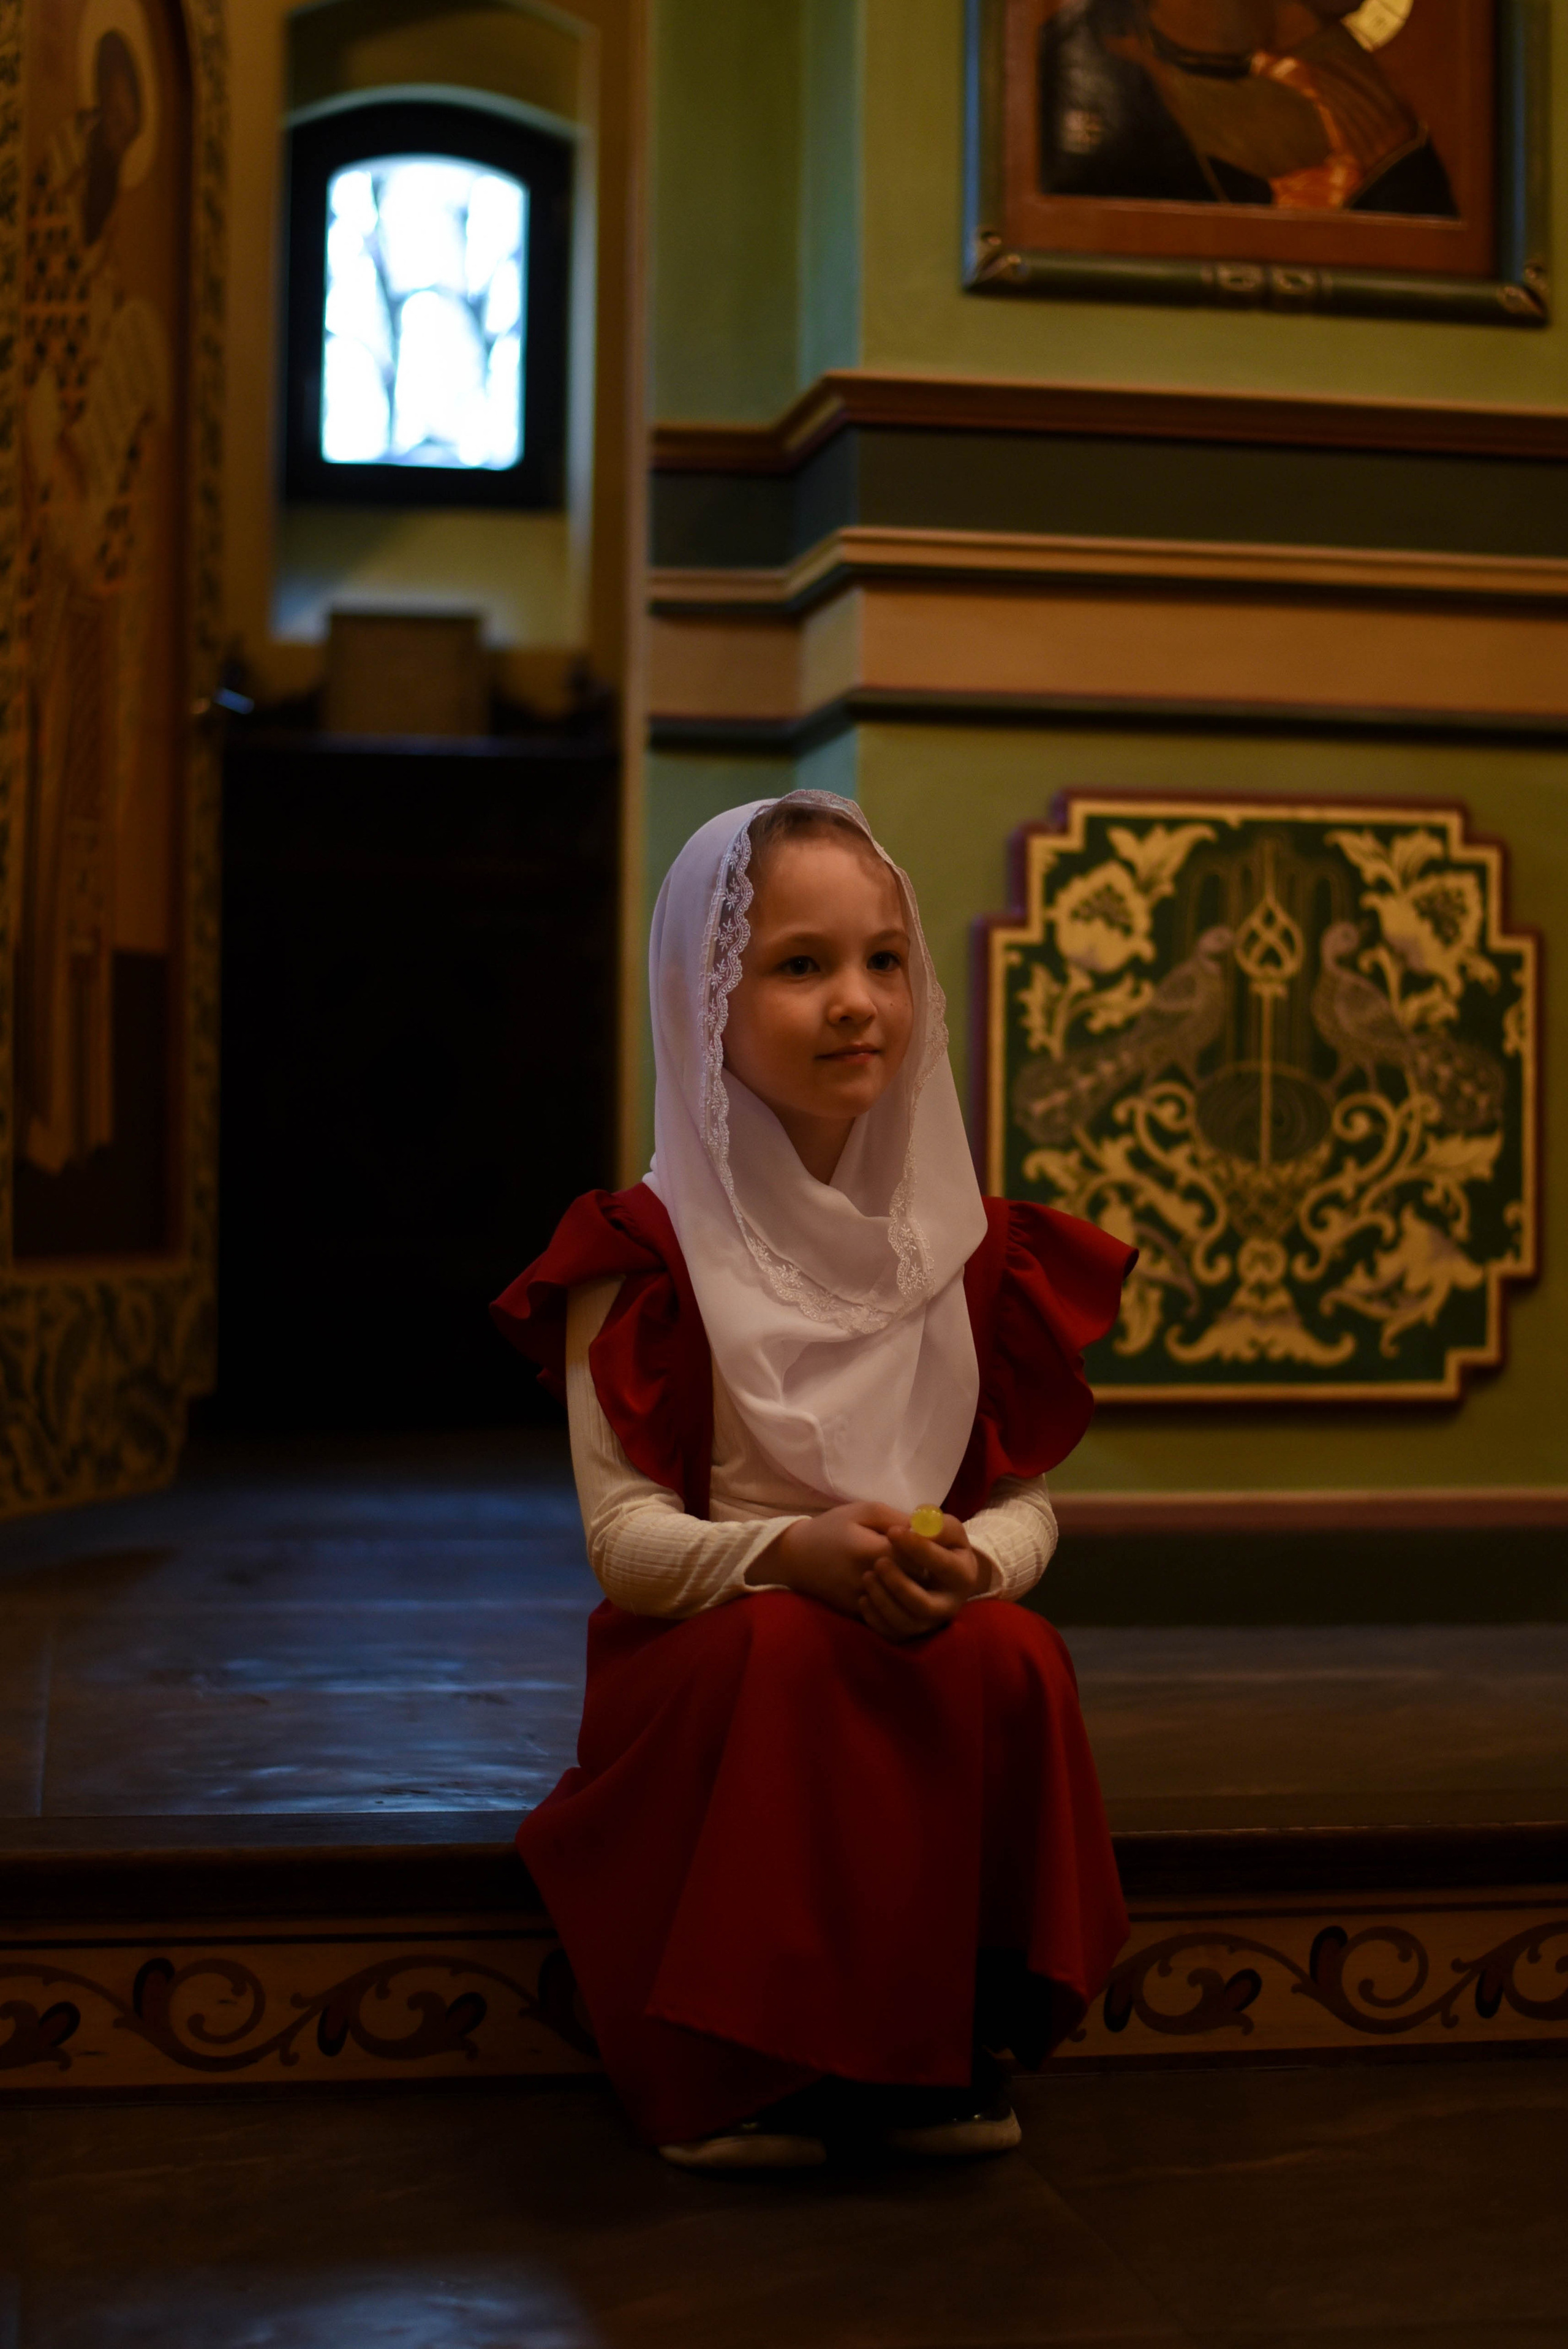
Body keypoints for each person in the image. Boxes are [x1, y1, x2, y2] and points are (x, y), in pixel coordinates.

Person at [493, 792, 1135, 2171]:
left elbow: (1019, 1499)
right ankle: (747, 2059)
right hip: (715, 1664)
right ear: (702, 1002)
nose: (856, 1004)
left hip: (899, 1616)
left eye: (883, 961)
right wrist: (787, 1556)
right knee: (793, 1655)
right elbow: (624, 1545)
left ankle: (941, 2042)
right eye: (799, 967)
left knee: (1010, 1655)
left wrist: (978, 1564)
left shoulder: (974, 1251)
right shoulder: (640, 1257)